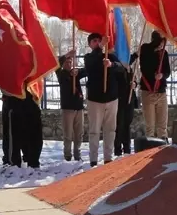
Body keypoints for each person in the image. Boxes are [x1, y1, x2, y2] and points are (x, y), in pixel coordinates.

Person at [73, 32, 126, 167]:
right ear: (90, 44)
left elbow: (122, 69)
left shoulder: (110, 56)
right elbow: (90, 66)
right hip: (95, 100)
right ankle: (93, 159)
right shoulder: (89, 57)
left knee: (110, 129)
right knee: (94, 130)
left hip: (111, 98)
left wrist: (111, 65)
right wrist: (100, 47)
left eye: (99, 40)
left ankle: (108, 157)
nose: (97, 43)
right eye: (94, 41)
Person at [138, 31, 172, 141]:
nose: (162, 44)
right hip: (148, 90)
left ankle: (163, 141)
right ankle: (151, 142)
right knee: (150, 125)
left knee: (162, 124)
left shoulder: (164, 53)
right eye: (161, 42)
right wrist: (154, 75)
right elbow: (144, 67)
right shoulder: (145, 49)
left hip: (161, 91)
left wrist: (162, 75)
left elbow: (167, 71)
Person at [57, 52, 85, 162]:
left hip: (78, 107)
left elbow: (86, 71)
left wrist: (77, 71)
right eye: (67, 63)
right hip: (67, 108)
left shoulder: (75, 73)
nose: (69, 64)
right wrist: (67, 54)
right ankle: (67, 155)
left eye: (70, 62)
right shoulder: (61, 74)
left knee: (79, 133)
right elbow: (56, 64)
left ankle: (77, 153)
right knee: (68, 134)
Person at [115, 53, 139, 157]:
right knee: (119, 124)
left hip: (130, 99)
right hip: (120, 99)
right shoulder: (117, 68)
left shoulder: (130, 69)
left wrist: (135, 84)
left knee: (127, 124)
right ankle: (117, 149)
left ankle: (127, 148)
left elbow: (134, 80)